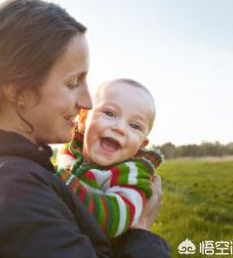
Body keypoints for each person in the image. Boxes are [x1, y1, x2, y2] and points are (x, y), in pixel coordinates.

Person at [0, 0, 170, 258]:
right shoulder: (12, 190)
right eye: (73, 82)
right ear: (18, 90)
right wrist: (141, 233)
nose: (87, 102)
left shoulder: (17, 173)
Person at [55, 78, 164, 238]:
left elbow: (114, 220)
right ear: (84, 119)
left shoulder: (131, 174)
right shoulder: (69, 149)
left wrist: (61, 185)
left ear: (141, 144)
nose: (119, 128)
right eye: (110, 113)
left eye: (134, 126)